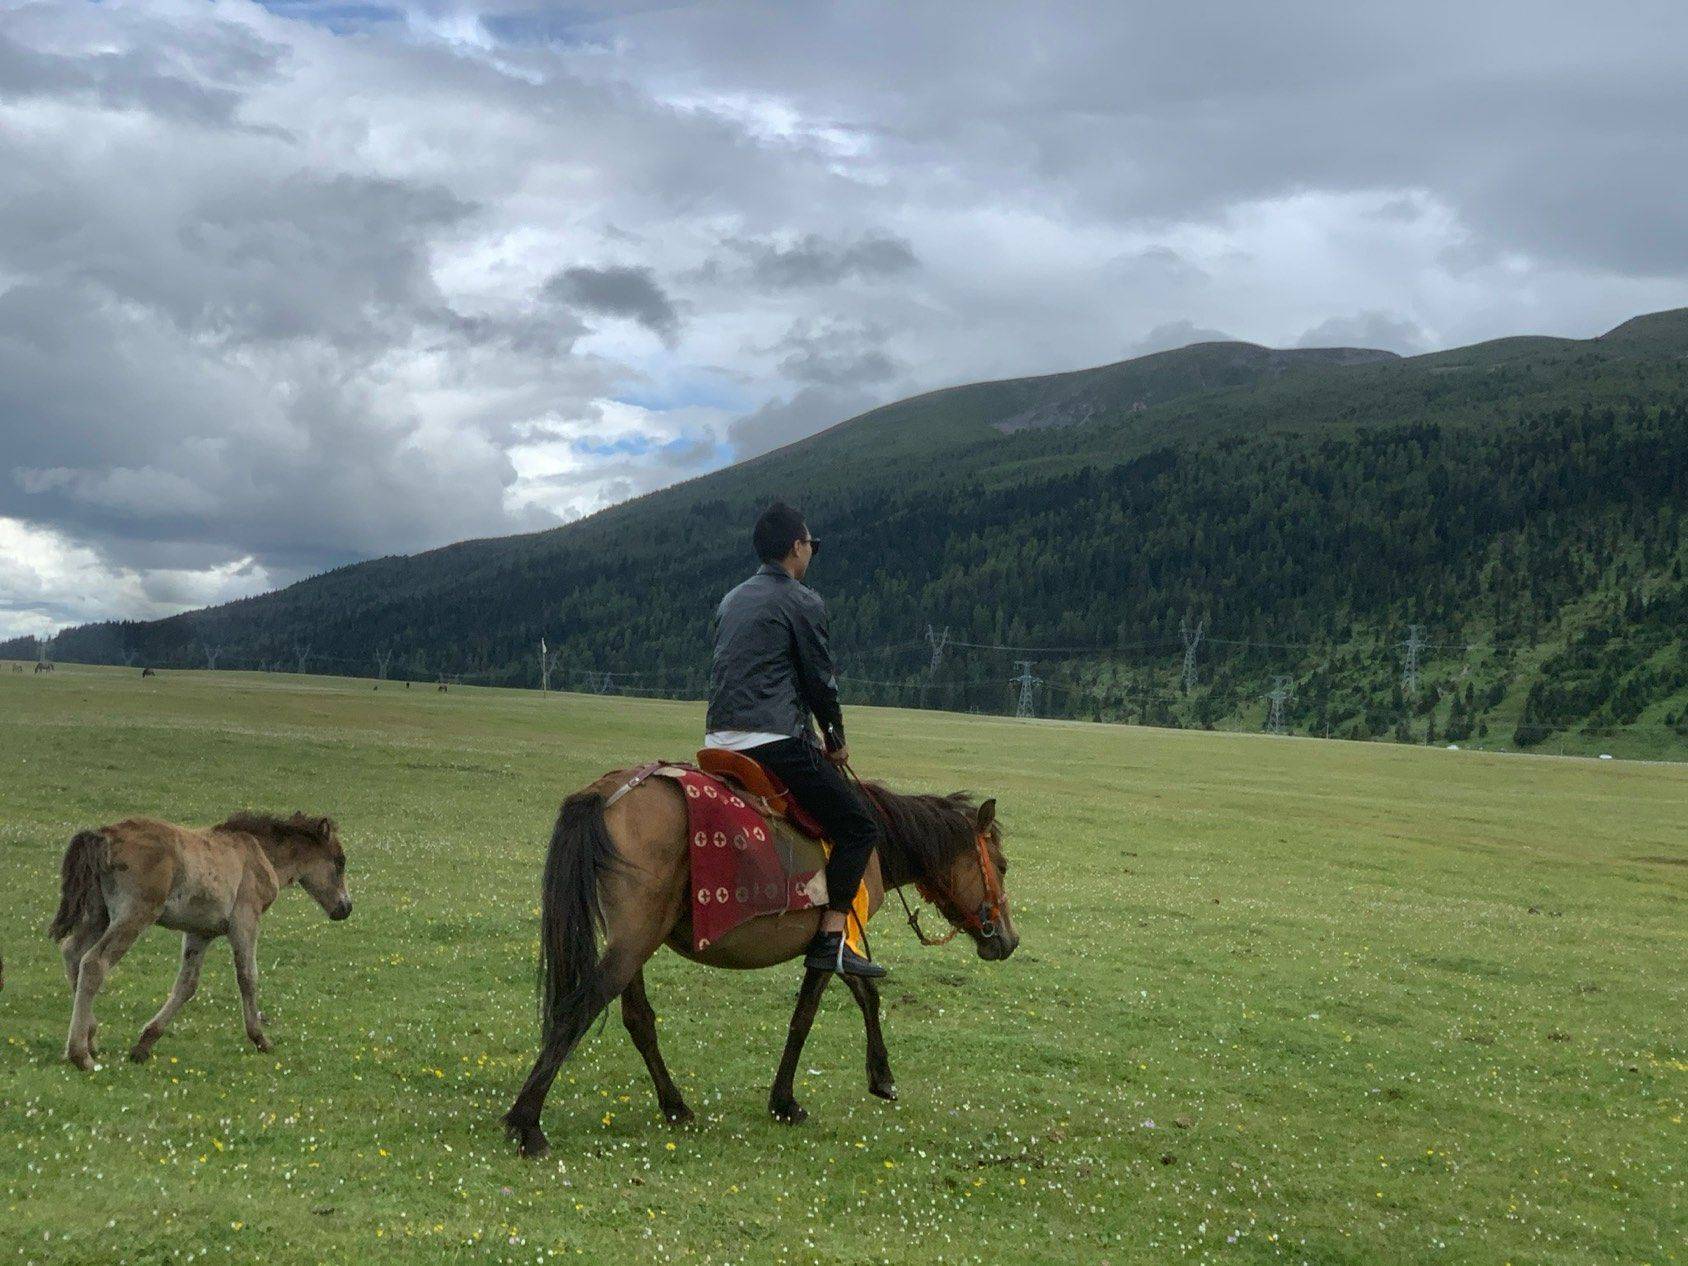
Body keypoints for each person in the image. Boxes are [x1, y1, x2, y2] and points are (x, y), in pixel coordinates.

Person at [705, 502, 886, 977]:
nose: (812, 553)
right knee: (859, 824)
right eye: (811, 544)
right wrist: (835, 738)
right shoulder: (803, 601)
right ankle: (831, 938)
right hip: (774, 739)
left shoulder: (729, 599)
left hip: (718, 738)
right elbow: (819, 681)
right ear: (795, 547)